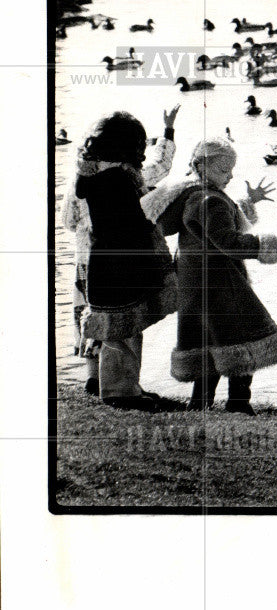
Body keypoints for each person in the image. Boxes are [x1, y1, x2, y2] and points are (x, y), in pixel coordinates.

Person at [142, 137, 277, 415]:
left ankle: (200, 403)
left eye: (231, 169)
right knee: (244, 340)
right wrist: (276, 243)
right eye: (223, 170)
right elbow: (229, 241)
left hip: (194, 283)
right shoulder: (209, 200)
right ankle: (239, 404)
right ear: (202, 166)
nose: (229, 176)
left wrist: (247, 202)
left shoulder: (191, 195)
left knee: (208, 342)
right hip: (221, 283)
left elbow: (213, 229)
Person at [72, 107, 180, 409]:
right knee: (123, 330)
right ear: (126, 147)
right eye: (138, 146)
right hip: (120, 264)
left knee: (121, 328)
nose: (142, 153)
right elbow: (131, 220)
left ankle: (126, 387)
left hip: (106, 263)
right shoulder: (118, 179)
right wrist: (154, 212)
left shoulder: (97, 175)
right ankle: (120, 392)